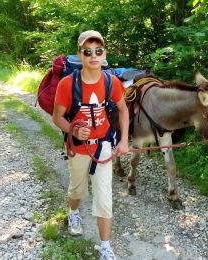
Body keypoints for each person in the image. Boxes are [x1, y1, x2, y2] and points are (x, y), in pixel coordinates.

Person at [53, 30, 129, 260]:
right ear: (80, 55)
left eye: (98, 51)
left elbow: (123, 110)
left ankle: (105, 247)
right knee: (77, 189)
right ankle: (73, 212)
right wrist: (73, 129)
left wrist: (124, 140)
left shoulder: (111, 81)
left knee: (104, 197)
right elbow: (57, 118)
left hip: (103, 145)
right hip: (78, 147)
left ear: (104, 54)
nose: (93, 55)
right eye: (88, 51)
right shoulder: (67, 84)